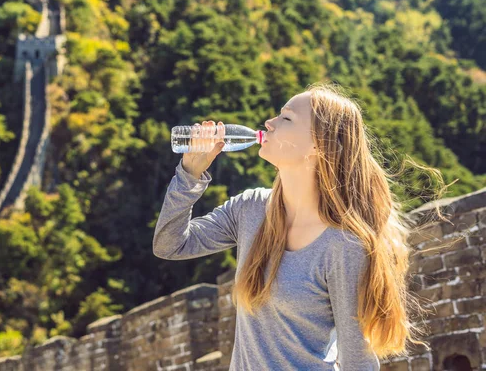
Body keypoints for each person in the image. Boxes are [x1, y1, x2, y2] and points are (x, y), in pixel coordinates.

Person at [153, 82, 436, 370]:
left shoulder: (343, 246)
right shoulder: (250, 208)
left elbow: (357, 358)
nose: (269, 123)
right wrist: (190, 175)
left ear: (318, 144)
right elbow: (170, 245)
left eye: (286, 118)